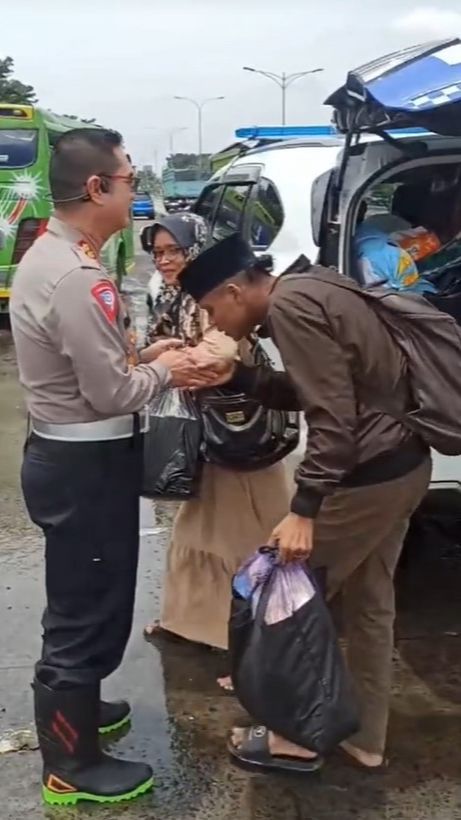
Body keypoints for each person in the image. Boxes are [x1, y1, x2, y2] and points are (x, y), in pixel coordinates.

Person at [9, 128, 220, 807]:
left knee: (86, 595)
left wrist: (140, 356)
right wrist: (169, 366)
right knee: (86, 608)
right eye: (129, 179)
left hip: (72, 453)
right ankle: (70, 762)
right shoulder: (77, 275)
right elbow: (111, 394)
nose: (136, 190)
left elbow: (96, 367)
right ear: (96, 188)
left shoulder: (58, 254)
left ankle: (77, 710)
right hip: (85, 460)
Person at [179, 234, 432, 773]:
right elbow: (327, 387)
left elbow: (333, 420)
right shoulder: (312, 283)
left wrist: (305, 508)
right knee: (368, 603)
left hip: (366, 478)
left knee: (281, 592)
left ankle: (294, 735)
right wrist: (241, 377)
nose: (214, 324)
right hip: (403, 463)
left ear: (233, 291)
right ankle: (365, 737)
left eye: (210, 310)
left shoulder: (290, 308)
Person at [141, 214, 291, 689]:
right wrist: (151, 357)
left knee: (249, 543)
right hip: (205, 437)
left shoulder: (218, 299)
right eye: (159, 252)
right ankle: (189, 622)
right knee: (198, 529)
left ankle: (251, 647)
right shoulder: (174, 297)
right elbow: (156, 348)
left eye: (175, 251)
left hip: (240, 438)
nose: (166, 261)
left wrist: (158, 364)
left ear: (197, 251)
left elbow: (215, 355)